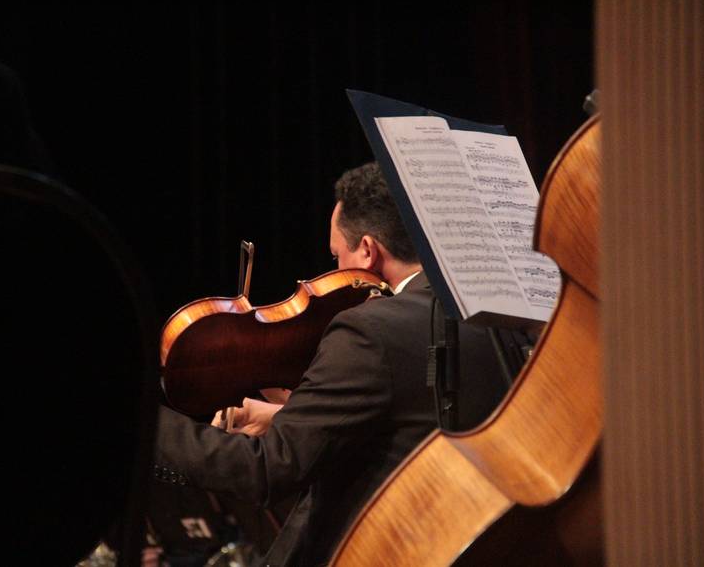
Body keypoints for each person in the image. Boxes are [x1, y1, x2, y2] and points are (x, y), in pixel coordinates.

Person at [153, 161, 510, 566]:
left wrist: (149, 423)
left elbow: (267, 470)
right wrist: (289, 415)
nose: (335, 270)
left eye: (337, 255)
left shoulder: (369, 330)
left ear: (368, 251)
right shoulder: (494, 317)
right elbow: (410, 417)